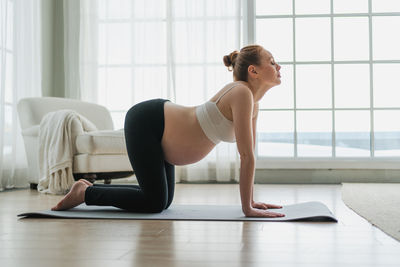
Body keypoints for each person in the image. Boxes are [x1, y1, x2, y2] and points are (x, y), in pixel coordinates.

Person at [51, 44, 285, 218]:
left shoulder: (252, 103)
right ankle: (85, 194)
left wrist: (252, 202)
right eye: (272, 61)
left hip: (162, 132)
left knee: (161, 202)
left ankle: (88, 188)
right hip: (148, 121)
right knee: (153, 202)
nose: (278, 66)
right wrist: (248, 209)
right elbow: (246, 156)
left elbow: (247, 154)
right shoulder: (241, 92)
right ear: (253, 71)